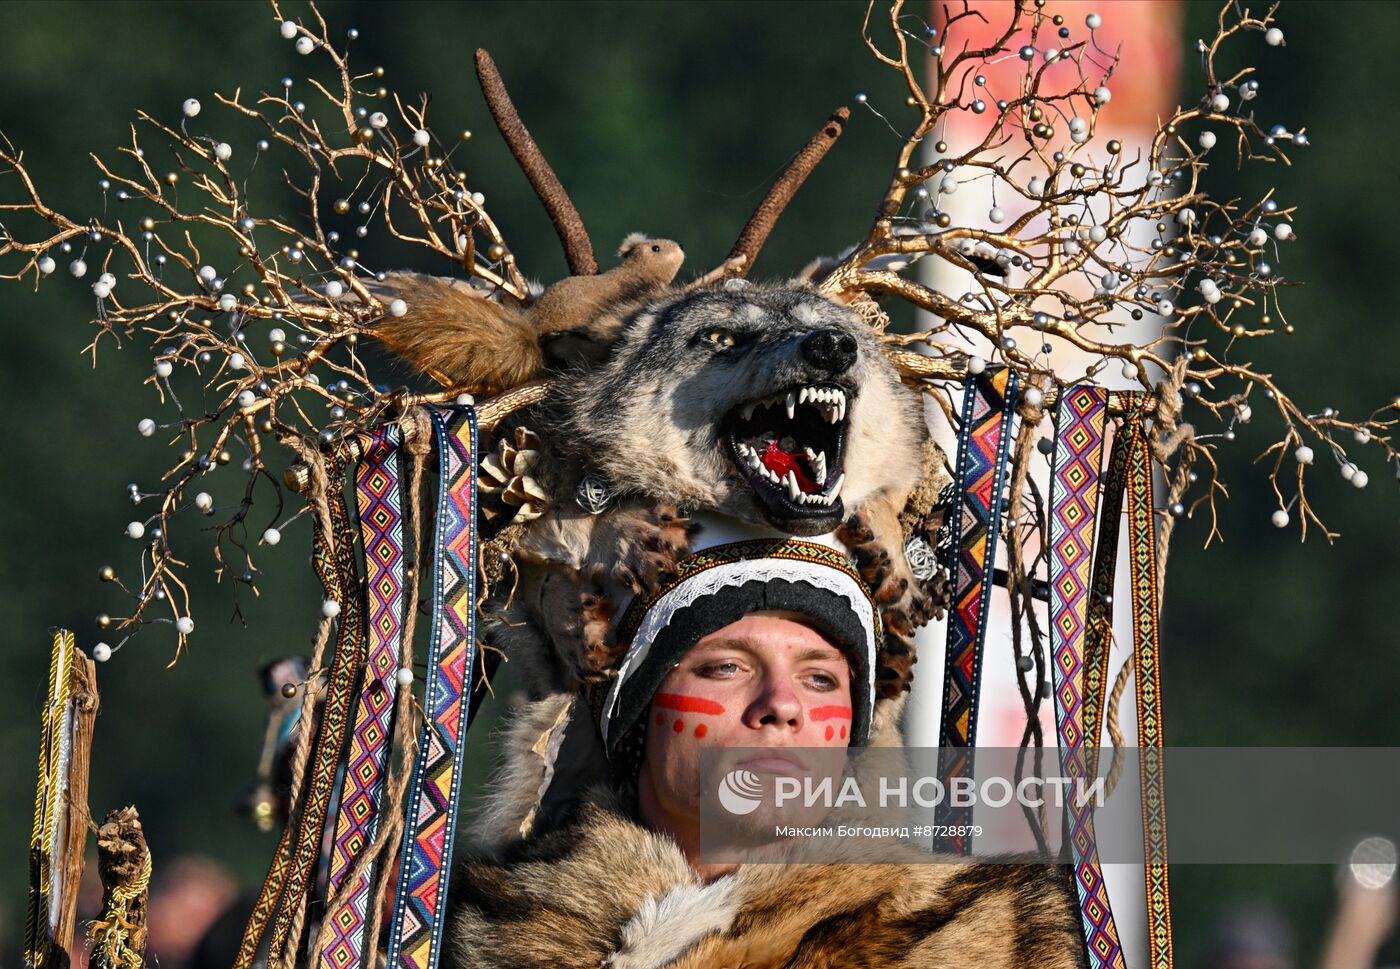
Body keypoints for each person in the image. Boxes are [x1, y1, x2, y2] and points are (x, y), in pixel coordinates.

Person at [445, 536, 1086, 969]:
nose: (781, 703)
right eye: (725, 667)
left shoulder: (991, 942)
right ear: (641, 719)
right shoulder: (468, 941)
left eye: (820, 679)